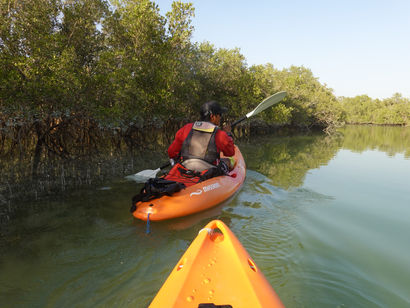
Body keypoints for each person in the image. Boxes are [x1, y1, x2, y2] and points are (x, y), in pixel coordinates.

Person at [168, 101, 235, 173]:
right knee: (227, 161)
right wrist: (228, 134)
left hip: (186, 166)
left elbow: (171, 152)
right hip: (208, 170)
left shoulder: (186, 128)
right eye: (219, 115)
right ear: (212, 116)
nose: (220, 117)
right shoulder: (219, 134)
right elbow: (230, 153)